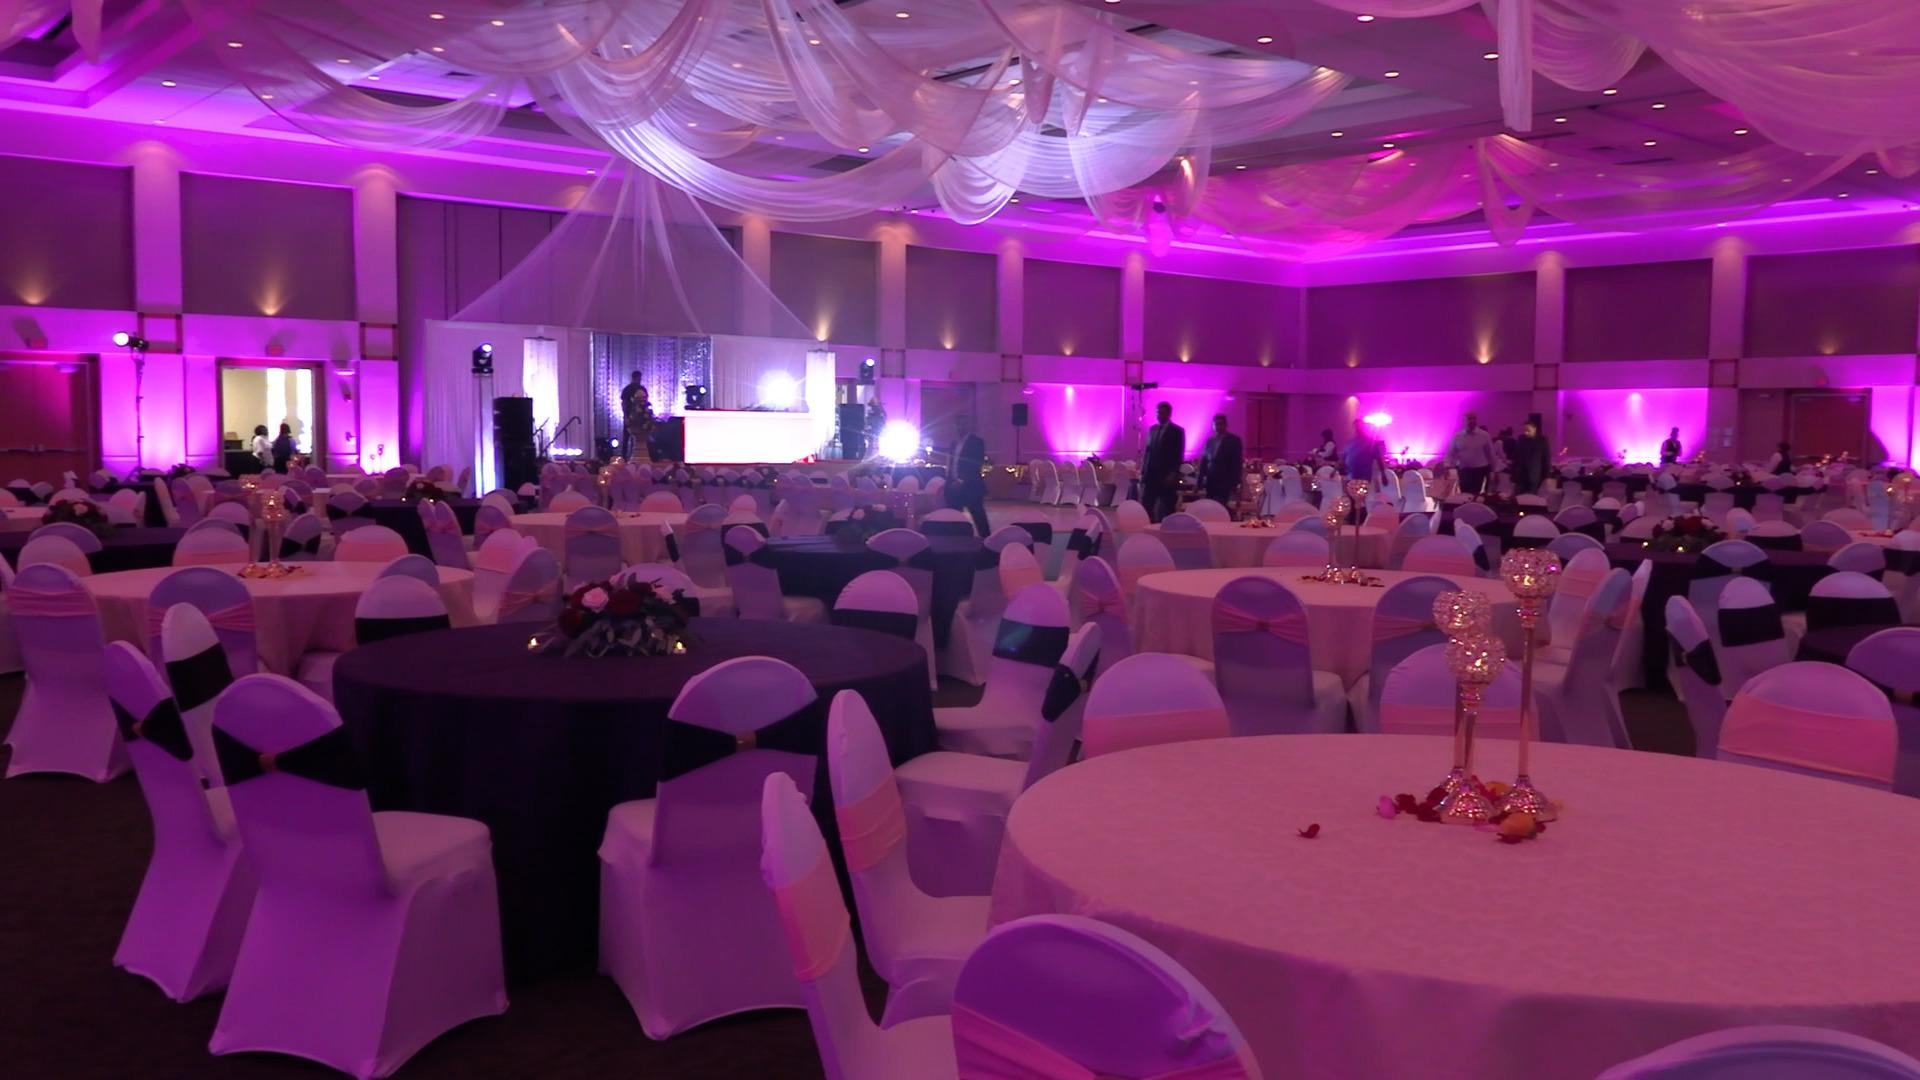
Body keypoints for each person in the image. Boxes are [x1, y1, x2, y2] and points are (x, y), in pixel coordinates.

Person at [1141, 401, 1185, 523]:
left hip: (1166, 475)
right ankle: (1150, 526)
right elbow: (1148, 452)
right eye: (1158, 413)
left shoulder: (1177, 431)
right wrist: (1144, 470)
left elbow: (1178, 454)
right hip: (1151, 474)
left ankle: (1169, 528)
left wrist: (1173, 473)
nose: (1159, 415)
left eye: (1162, 413)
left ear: (1169, 414)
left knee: (1168, 506)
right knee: (1147, 504)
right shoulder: (1153, 429)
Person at [946, 422, 990, 537]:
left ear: (968, 425)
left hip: (971, 486)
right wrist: (950, 482)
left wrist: (961, 481)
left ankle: (987, 541)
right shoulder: (954, 443)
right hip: (954, 487)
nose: (959, 426)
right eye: (958, 424)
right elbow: (952, 464)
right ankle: (958, 540)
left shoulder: (976, 442)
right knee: (954, 517)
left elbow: (975, 464)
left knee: (978, 516)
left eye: (962, 423)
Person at [1197, 413, 1244, 508]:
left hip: (1225, 480)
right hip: (1211, 480)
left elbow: (1237, 462)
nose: (1217, 426)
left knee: (1221, 506)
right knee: (1210, 506)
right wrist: (1199, 480)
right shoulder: (1210, 441)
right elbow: (1204, 461)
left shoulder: (1233, 440)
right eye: (1215, 424)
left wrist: (1235, 482)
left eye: (1220, 424)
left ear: (1225, 425)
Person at [1448, 412, 1495, 496]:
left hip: (1480, 470)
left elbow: (1491, 453)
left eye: (1474, 418)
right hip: (1464, 469)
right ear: (1464, 421)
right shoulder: (1458, 436)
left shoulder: (1484, 435)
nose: (1472, 420)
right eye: (1469, 419)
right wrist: (1447, 464)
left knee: (1478, 494)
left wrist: (1495, 470)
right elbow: (1451, 452)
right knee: (1464, 494)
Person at [620, 373, 654, 463]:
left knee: (642, 438)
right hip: (630, 416)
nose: (639, 380)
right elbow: (624, 403)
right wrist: (625, 416)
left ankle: (644, 456)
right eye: (638, 378)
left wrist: (648, 415)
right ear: (634, 378)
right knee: (626, 437)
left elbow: (646, 403)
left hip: (642, 417)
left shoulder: (642, 389)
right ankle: (624, 458)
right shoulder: (627, 389)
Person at [1512, 419, 1551, 495]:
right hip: (1521, 475)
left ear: (1534, 429)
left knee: (1531, 497)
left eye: (1528, 430)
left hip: (1534, 475)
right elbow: (1516, 456)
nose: (1526, 432)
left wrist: (1547, 476)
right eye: (1524, 430)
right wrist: (1513, 472)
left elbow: (1546, 459)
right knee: (1518, 497)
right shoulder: (1521, 438)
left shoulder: (1542, 440)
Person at [1342, 419, 1380, 486]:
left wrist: (1383, 474)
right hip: (1352, 477)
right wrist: (1334, 471)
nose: (1357, 429)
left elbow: (1378, 458)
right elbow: (1343, 458)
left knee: (1362, 491)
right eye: (1356, 427)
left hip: (1364, 477)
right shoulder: (1350, 443)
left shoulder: (1370, 442)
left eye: (1359, 426)